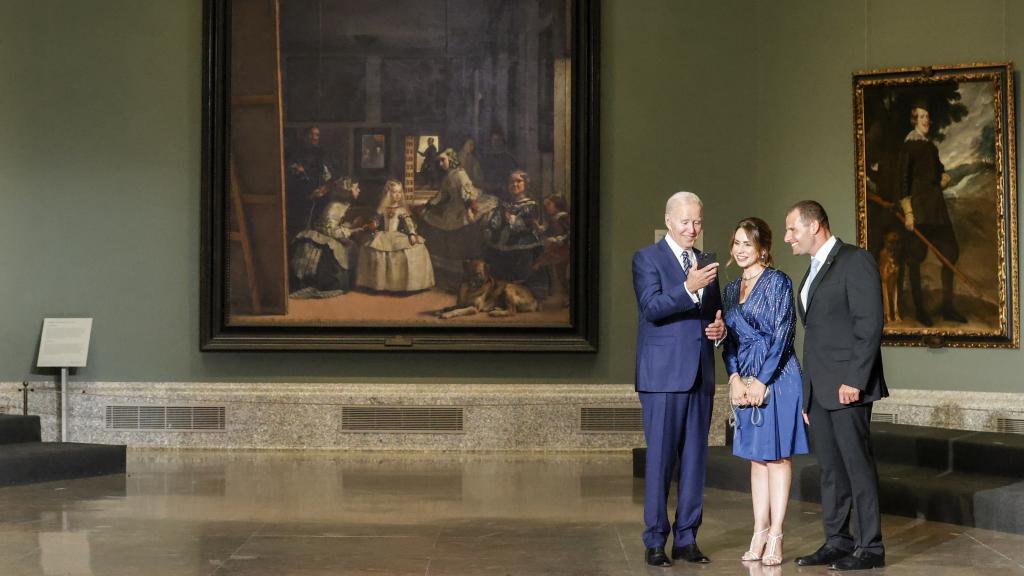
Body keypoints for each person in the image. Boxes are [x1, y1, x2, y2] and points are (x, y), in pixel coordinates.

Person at [784, 201, 888, 571]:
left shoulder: (855, 261)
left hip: (848, 387)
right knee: (831, 470)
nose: (787, 238)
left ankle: (871, 547)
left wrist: (855, 380)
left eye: (792, 230)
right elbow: (815, 337)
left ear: (815, 227)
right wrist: (808, 394)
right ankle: (837, 541)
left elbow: (869, 325)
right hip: (821, 390)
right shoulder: (812, 270)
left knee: (856, 467)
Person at [632, 191, 726, 568]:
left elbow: (713, 312)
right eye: (685, 222)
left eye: (698, 222)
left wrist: (719, 328)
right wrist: (688, 287)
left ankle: (687, 538)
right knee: (660, 462)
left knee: (694, 460)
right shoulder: (646, 258)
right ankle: (655, 540)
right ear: (669, 221)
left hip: (700, 373)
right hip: (663, 377)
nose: (693, 229)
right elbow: (651, 307)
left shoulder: (706, 262)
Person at [721, 217, 809, 566]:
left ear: (762, 248)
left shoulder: (778, 282)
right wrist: (734, 378)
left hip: (779, 377)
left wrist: (761, 381)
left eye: (748, 244)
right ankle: (758, 530)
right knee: (757, 459)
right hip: (744, 378)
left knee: (777, 458)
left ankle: (776, 535)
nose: (741, 250)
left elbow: (784, 335)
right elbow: (728, 342)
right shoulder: (729, 290)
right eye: (736, 244)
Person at [897, 103, 965, 326]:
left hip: (936, 210)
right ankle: (920, 311)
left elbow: (938, 171)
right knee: (915, 258)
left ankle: (948, 307)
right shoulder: (909, 147)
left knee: (950, 253)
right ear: (914, 120)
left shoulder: (930, 147)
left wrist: (943, 178)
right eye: (922, 117)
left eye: (928, 116)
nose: (927, 120)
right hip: (919, 211)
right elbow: (903, 181)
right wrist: (908, 212)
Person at [419, 149, 484, 288]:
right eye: (439, 161)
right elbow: (442, 195)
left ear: (451, 159)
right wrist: (430, 204)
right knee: (426, 216)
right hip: (451, 208)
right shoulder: (449, 175)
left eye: (443, 160)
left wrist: (470, 207)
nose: (441, 163)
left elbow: (468, 194)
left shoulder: (460, 174)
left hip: (460, 210)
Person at [356, 180, 435, 293]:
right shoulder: (383, 209)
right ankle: (379, 284)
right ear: (388, 193)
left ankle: (403, 285)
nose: (397, 195)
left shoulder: (402, 210)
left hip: (397, 235)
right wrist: (372, 224)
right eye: (394, 192)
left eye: (399, 192)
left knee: (414, 249)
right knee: (372, 249)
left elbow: (409, 223)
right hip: (384, 235)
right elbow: (376, 220)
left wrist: (412, 233)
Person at [289, 178, 361, 297]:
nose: (359, 190)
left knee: (350, 246)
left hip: (328, 233)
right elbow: (328, 230)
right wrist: (351, 231)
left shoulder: (342, 204)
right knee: (345, 250)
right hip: (323, 239)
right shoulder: (336, 206)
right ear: (347, 190)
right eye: (356, 188)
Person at [483, 170, 548, 297]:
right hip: (504, 245)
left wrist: (511, 219)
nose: (514, 184)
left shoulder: (531, 205)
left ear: (526, 184)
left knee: (521, 271)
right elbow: (495, 224)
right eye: (511, 182)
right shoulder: (505, 205)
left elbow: (530, 226)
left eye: (518, 181)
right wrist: (493, 222)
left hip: (524, 245)